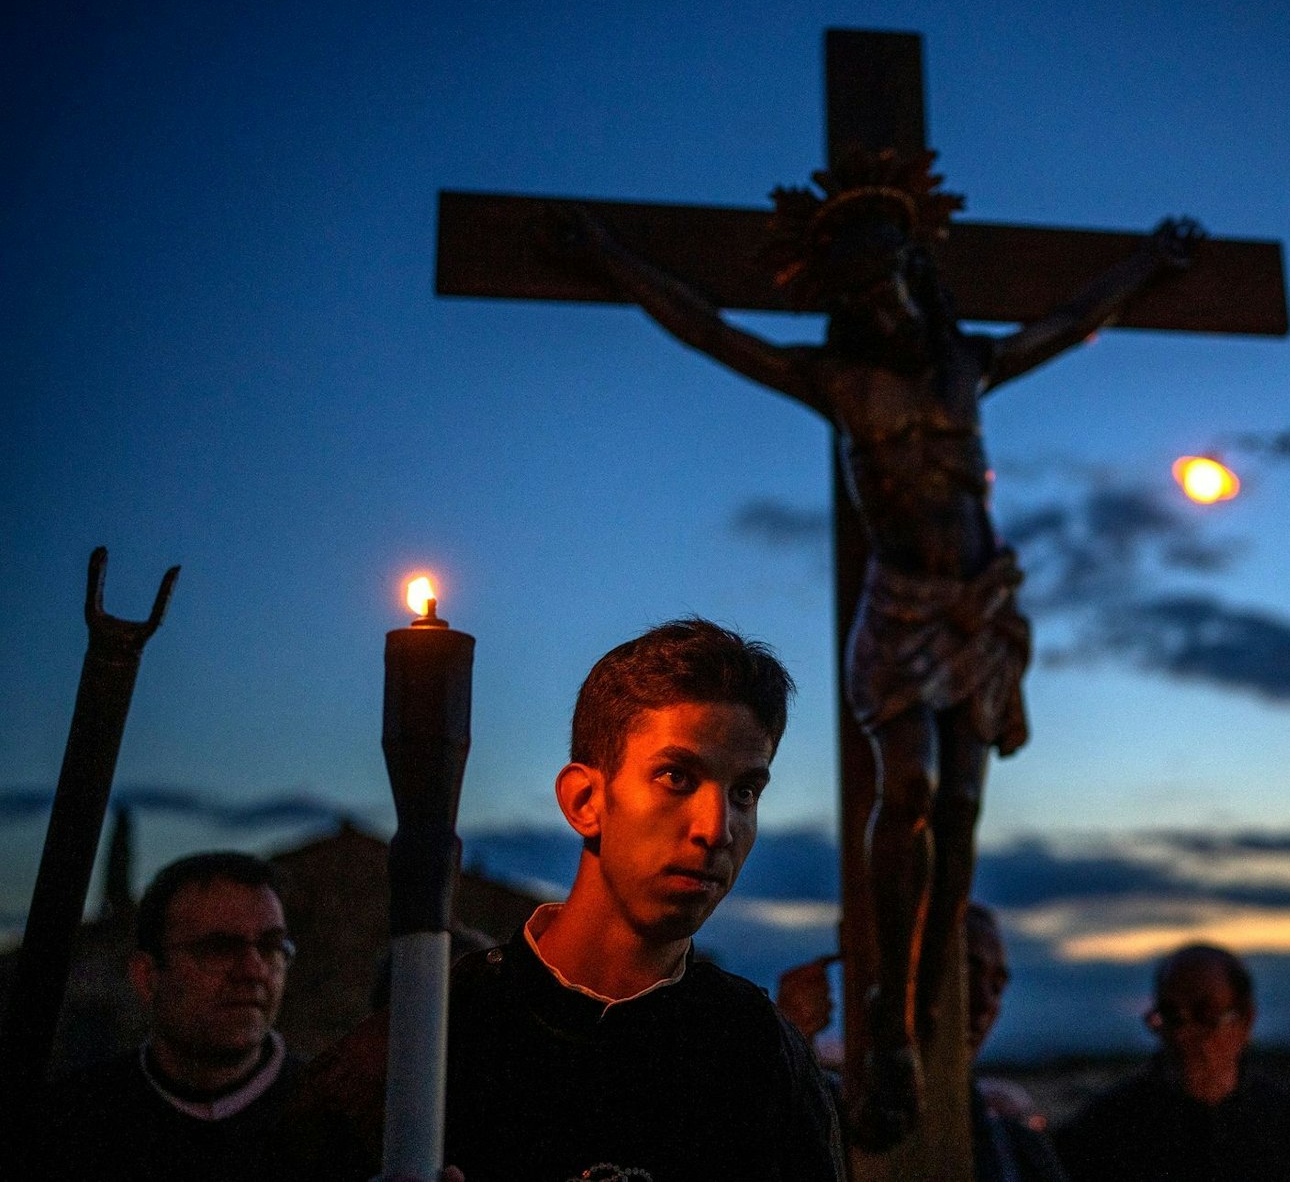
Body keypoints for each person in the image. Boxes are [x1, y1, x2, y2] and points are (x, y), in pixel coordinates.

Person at [554, 153, 1199, 1142]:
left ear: (915, 273)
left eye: (893, 275)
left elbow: (1069, 323)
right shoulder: (836, 379)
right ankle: (888, 1022)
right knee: (906, 793)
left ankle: (924, 997)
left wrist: (1149, 265)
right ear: (845, 300)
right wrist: (608, 257)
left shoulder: (963, 363)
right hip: (899, 607)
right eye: (861, 286)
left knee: (962, 806)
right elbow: (705, 325)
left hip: (973, 612)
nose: (882, 297)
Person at [289, 618, 843, 1182]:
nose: (717, 827)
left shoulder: (759, 1054)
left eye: (744, 792)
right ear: (584, 800)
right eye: (676, 777)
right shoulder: (434, 1036)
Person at [27, 851, 302, 1181]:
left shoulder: (335, 1120)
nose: (253, 970)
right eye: (219, 948)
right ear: (148, 977)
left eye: (271, 946)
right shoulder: (71, 1125)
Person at [775, 902, 1070, 1182]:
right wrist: (788, 1042)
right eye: (963, 972)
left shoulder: (1018, 1152)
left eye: (996, 985)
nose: (983, 1002)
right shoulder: (836, 1118)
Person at [1054, 944, 1290, 1182]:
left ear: (1245, 1019)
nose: (1184, 1034)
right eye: (1171, 1015)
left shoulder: (1289, 1131)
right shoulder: (1103, 1133)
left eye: (1206, 1014)